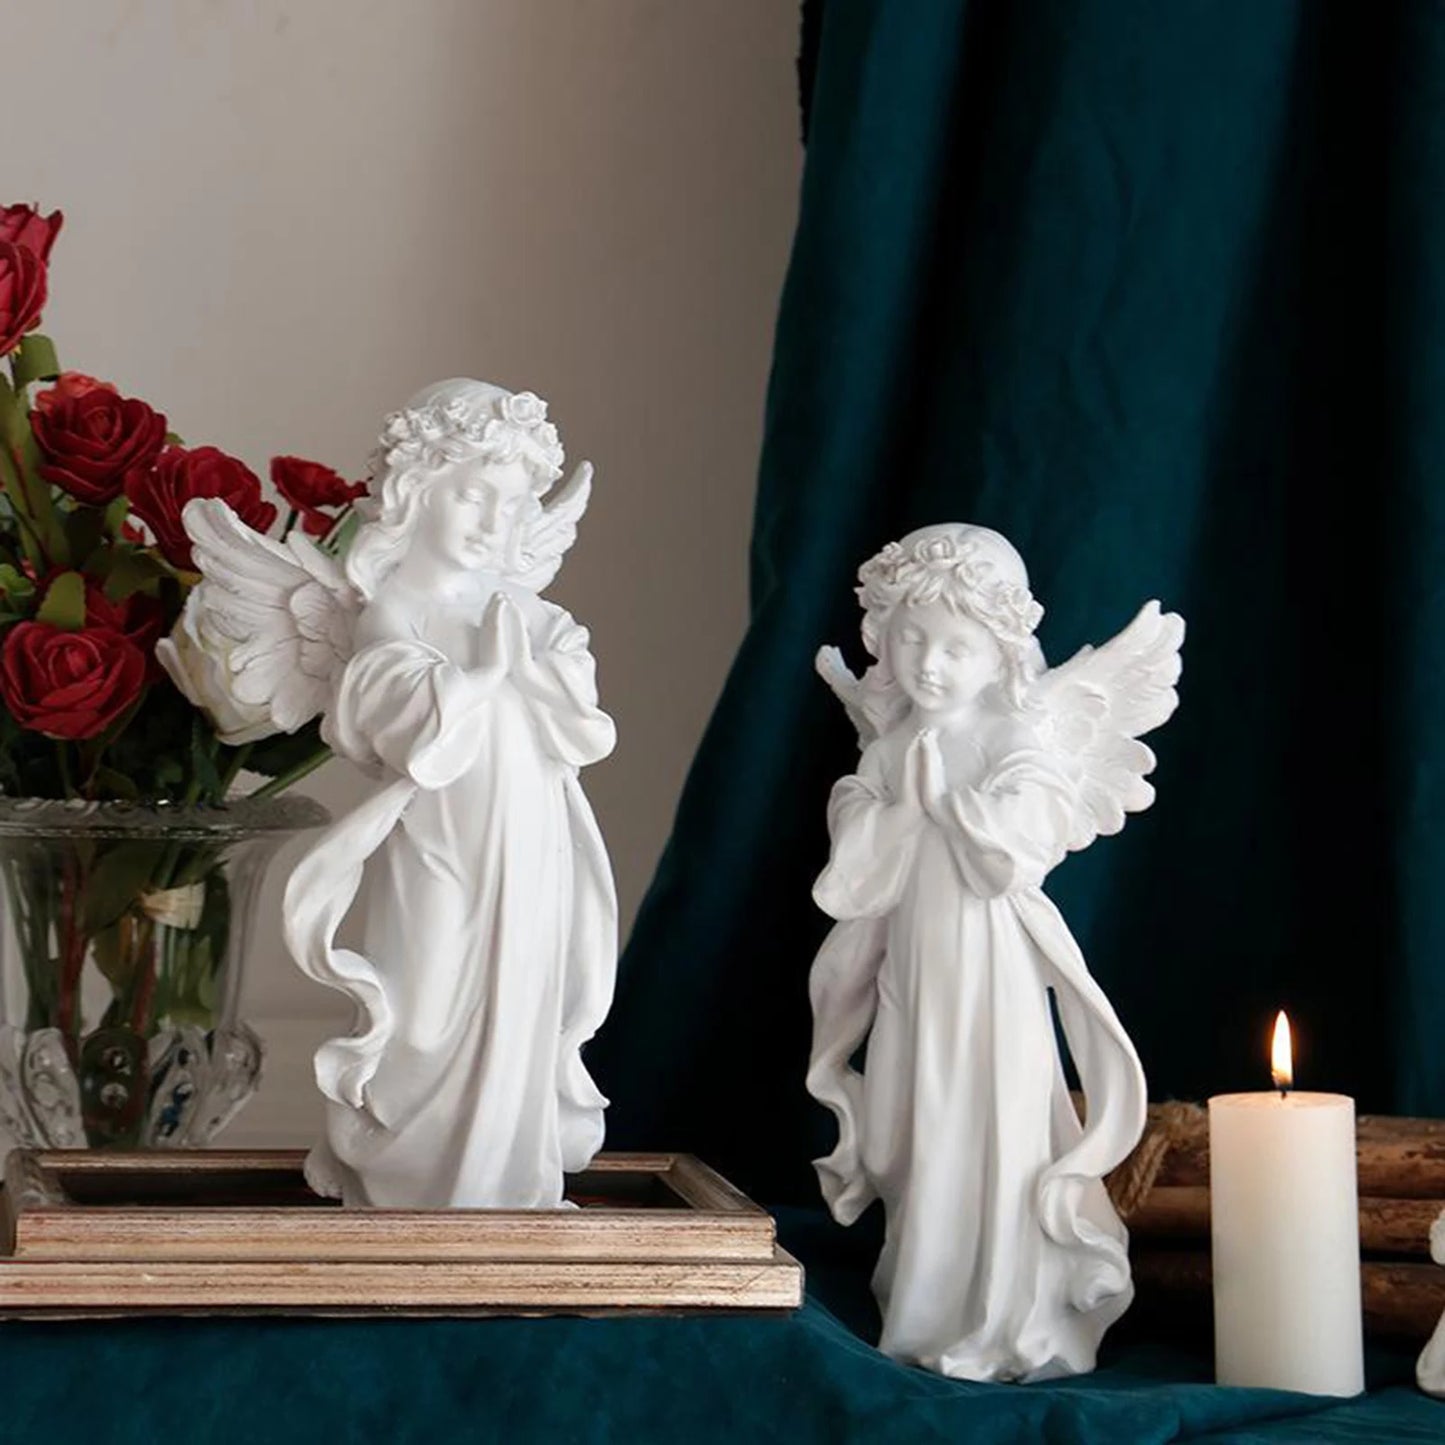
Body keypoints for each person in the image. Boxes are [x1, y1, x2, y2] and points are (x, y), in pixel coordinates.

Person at [808, 523, 1180, 1381]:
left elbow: (1020, 848)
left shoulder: (1015, 739)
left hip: (988, 968)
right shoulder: (889, 745)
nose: (928, 664)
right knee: (911, 1119)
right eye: (910, 639)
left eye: (955, 646)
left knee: (987, 1119)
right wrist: (903, 807)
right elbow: (850, 869)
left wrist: (948, 804)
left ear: (1000, 653)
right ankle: (924, 1300)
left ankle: (1002, 1310)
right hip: (911, 967)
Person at [284, 379, 617, 1208]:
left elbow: (587, 725)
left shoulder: (529, 612)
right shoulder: (394, 605)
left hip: (528, 836)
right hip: (437, 838)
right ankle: (412, 1185)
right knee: (426, 996)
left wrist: (532, 669)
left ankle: (502, 1187)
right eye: (471, 495)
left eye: (511, 504)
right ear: (416, 490)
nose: (491, 522)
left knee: (519, 989)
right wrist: (480, 676)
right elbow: (383, 711)